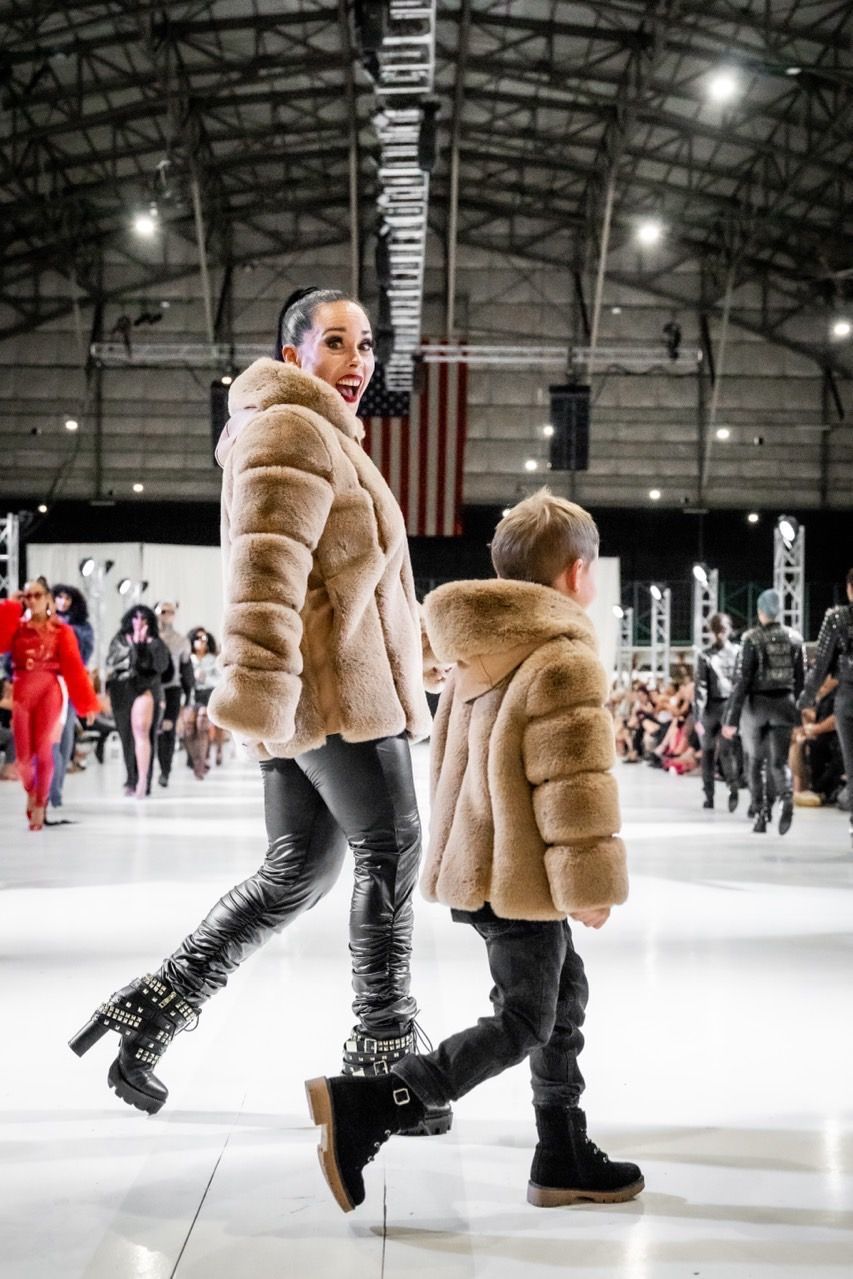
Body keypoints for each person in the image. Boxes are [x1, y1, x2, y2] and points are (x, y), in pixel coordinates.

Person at [69, 286, 448, 1137]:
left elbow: (356, 582)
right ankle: (383, 1060)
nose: (359, 361)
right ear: (293, 356)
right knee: (390, 847)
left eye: (366, 345)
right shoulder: (289, 429)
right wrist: (265, 686)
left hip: (313, 695)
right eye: (337, 344)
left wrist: (421, 654)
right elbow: (264, 575)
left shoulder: (319, 437)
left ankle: (151, 1009)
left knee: (295, 877)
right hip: (329, 696)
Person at [305, 491, 643, 1213]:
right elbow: (570, 785)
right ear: (578, 573)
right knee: (526, 1018)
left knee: (562, 998)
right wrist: (589, 882)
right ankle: (377, 1101)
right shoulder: (560, 656)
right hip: (523, 873)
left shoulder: (474, 651)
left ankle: (562, 1150)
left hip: (479, 868)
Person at [0, 580, 98, 830]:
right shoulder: (18, 628)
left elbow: (75, 668)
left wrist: (87, 704)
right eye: (28, 595)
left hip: (49, 691)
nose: (32, 600)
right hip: (22, 690)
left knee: (44, 751)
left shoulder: (62, 631)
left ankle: (41, 803)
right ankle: (33, 791)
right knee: (23, 759)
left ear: (48, 598)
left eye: (37, 595)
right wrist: (11, 605)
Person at [722, 589, 804, 835]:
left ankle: (760, 814)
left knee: (755, 763)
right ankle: (787, 796)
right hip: (785, 705)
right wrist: (798, 714)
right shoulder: (795, 638)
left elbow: (743, 680)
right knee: (778, 762)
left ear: (760, 611)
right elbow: (801, 681)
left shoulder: (751, 638)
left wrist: (732, 719)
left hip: (756, 707)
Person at [797, 567, 853, 849]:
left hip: (849, 697)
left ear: (849, 589)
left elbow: (820, 665)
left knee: (851, 763)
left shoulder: (837, 618)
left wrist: (805, 698)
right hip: (844, 698)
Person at [105, 604, 171, 798]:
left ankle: (144, 780)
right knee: (126, 737)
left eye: (144, 619)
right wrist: (134, 647)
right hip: (121, 690)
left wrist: (142, 648)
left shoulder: (157, 643)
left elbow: (161, 667)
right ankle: (131, 778)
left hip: (147, 690)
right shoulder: (119, 640)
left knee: (144, 733)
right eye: (136, 618)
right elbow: (113, 661)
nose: (139, 622)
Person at [49, 584, 95, 809]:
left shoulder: (81, 628)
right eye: (59, 597)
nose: (63, 602)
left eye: (67, 598)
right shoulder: (42, 622)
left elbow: (84, 657)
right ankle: (46, 788)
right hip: (45, 682)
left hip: (69, 684)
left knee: (65, 735)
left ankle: (56, 789)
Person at [694, 613, 740, 810]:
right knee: (722, 752)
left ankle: (712, 795)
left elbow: (701, 688)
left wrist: (698, 715)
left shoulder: (706, 655)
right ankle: (731, 789)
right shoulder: (737, 652)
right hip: (727, 707)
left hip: (714, 708)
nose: (720, 634)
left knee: (711, 752)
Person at [154, 601, 194, 788]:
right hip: (151, 689)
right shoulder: (147, 638)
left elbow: (186, 670)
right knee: (151, 731)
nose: (166, 615)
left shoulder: (181, 641)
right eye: (163, 611)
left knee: (168, 729)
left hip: (172, 689)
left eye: (170, 612)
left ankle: (165, 771)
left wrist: (188, 697)